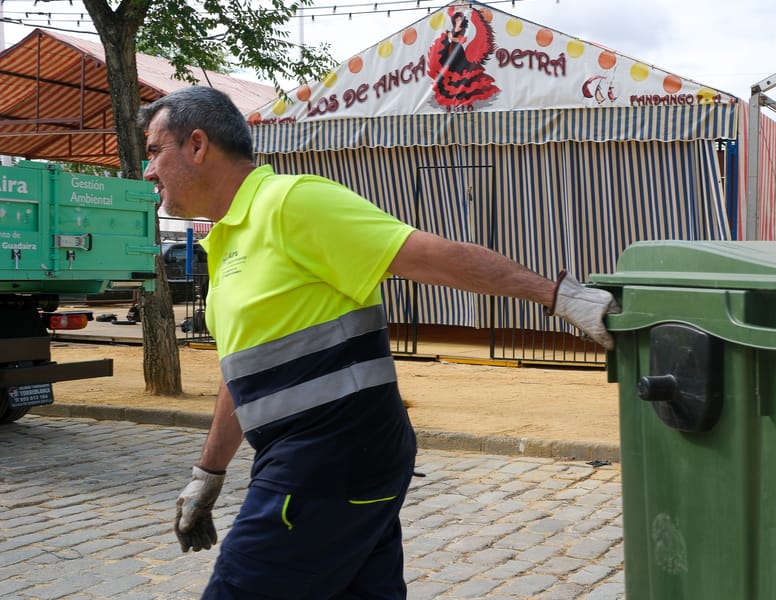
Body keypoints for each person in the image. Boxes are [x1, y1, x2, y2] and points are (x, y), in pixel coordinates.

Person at [140, 85, 619, 599]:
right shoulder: (226, 239)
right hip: (334, 457)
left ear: (197, 145)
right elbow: (243, 371)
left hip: (326, 457)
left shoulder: (290, 202)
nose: (148, 171)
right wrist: (208, 473)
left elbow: (432, 256)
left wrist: (558, 297)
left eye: (154, 151)